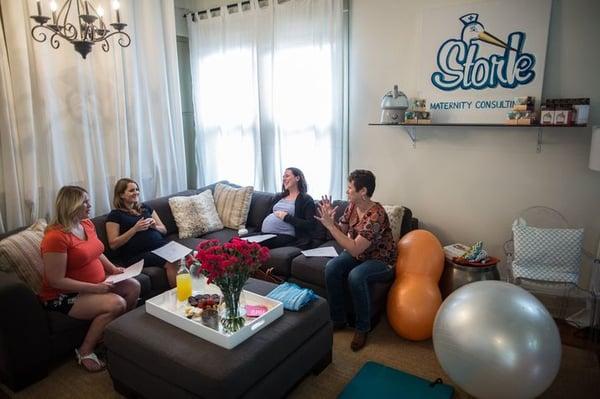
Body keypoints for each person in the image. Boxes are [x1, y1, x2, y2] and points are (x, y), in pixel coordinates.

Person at [39, 186, 141, 372]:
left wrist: (113, 269)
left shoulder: (87, 224)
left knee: (134, 286)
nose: (90, 205)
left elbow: (96, 252)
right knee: (116, 303)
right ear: (71, 205)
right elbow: (56, 280)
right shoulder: (55, 237)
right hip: (63, 295)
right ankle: (85, 351)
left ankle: (116, 335)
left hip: (95, 285)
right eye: (85, 202)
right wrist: (94, 288)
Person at [315, 170, 396, 351]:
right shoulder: (352, 206)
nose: (346, 191)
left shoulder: (376, 214)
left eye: (350, 188)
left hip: (381, 260)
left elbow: (354, 247)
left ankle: (362, 328)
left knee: (356, 276)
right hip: (359, 255)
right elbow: (342, 233)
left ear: (363, 191)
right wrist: (331, 220)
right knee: (331, 268)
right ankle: (338, 319)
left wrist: (330, 227)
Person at [106, 178, 177, 287]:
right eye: (131, 190)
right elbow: (113, 244)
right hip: (137, 254)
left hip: (160, 246)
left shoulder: (145, 208)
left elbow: (164, 230)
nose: (136, 193)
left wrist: (154, 227)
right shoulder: (115, 215)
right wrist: (134, 229)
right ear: (121, 195)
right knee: (172, 260)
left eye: (137, 189)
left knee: (188, 256)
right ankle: (181, 297)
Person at [259, 167, 316, 249]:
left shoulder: (306, 199)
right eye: (283, 177)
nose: (284, 179)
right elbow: (268, 215)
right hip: (266, 234)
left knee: (250, 245)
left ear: (297, 178)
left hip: (285, 236)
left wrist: (286, 217)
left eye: (287, 176)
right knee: (237, 240)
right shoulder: (279, 197)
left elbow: (310, 225)